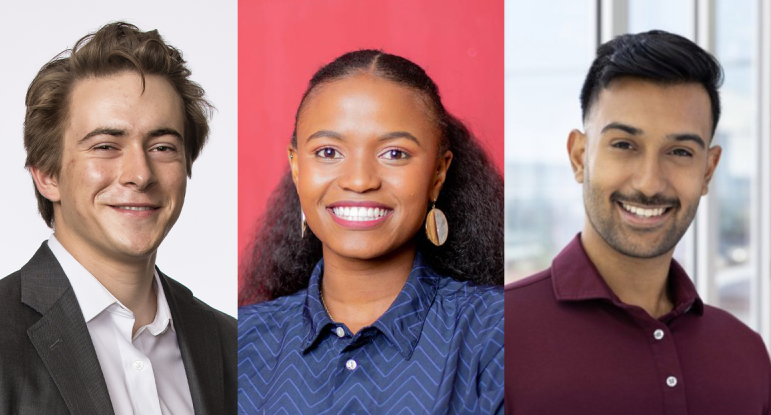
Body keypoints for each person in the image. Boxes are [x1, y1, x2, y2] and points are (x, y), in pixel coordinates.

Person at [0, 22, 236, 414]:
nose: (140, 174)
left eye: (162, 147)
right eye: (106, 146)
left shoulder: (232, 345)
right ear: (47, 174)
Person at [505, 30, 771, 414]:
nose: (649, 182)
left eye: (679, 151)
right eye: (624, 145)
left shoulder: (746, 353)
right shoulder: (496, 338)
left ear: (708, 171)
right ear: (580, 156)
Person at [238, 50, 504, 413]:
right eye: (328, 151)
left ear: (438, 175)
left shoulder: (496, 336)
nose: (360, 180)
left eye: (394, 154)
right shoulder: (239, 343)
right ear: (297, 168)